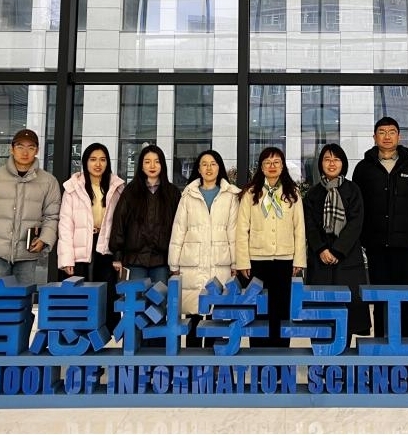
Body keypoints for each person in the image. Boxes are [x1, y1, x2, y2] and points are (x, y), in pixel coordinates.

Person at [352, 116, 408, 339]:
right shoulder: (364, 168)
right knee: (380, 298)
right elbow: (356, 206)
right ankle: (382, 345)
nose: (387, 137)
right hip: (376, 246)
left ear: (399, 136)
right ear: (374, 137)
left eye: (391, 132)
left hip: (407, 246)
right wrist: (362, 239)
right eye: (382, 132)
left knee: (407, 298)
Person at [0, 129, 61, 286]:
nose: (25, 152)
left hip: (27, 254)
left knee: (23, 298)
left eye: (31, 147)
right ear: (11, 149)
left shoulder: (49, 182)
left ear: (37, 151)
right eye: (20, 147)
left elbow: (52, 216)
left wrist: (44, 239)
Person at [169, 149, 239, 348]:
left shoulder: (230, 196)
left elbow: (233, 232)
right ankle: (193, 361)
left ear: (219, 168)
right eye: (204, 164)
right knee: (194, 314)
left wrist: (235, 262)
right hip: (193, 262)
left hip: (220, 262)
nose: (209, 168)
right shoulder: (188, 195)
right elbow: (179, 230)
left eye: (213, 164)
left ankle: (214, 362)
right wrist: (173, 264)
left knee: (217, 315)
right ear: (198, 169)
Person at [236, 147, 306, 348]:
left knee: (281, 310)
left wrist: (299, 260)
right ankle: (258, 356)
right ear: (261, 167)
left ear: (283, 166)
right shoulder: (250, 194)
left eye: (276, 162)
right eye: (267, 162)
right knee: (259, 311)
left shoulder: (293, 193)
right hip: (257, 261)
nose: (272, 166)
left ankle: (281, 357)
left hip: (285, 260)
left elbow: (299, 228)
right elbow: (242, 230)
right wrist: (242, 262)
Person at [303, 143, 371, 347]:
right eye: (327, 159)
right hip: (320, 260)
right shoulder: (313, 193)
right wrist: (321, 249)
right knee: (320, 312)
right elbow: (309, 225)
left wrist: (337, 251)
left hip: (347, 259)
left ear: (343, 163)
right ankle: (320, 359)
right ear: (320, 164)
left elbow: (356, 223)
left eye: (336, 159)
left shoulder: (353, 190)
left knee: (347, 313)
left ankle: (343, 358)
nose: (331, 163)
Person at [58, 143, 125, 330]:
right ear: (85, 162)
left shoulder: (116, 188)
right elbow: (65, 225)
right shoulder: (73, 188)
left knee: (107, 296)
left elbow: (121, 224)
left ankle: (104, 336)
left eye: (102, 160)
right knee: (80, 299)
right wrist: (66, 259)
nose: (98, 164)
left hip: (105, 247)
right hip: (80, 248)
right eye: (93, 159)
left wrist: (119, 255)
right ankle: (80, 336)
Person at [109, 145, 180, 285]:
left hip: (162, 260)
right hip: (135, 259)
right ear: (141, 166)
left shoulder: (172, 193)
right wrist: (117, 255)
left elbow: (179, 226)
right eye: (147, 162)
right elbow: (119, 222)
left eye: (157, 161)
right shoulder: (131, 191)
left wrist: (176, 260)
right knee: (135, 297)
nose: (152, 166)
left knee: (160, 297)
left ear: (162, 165)